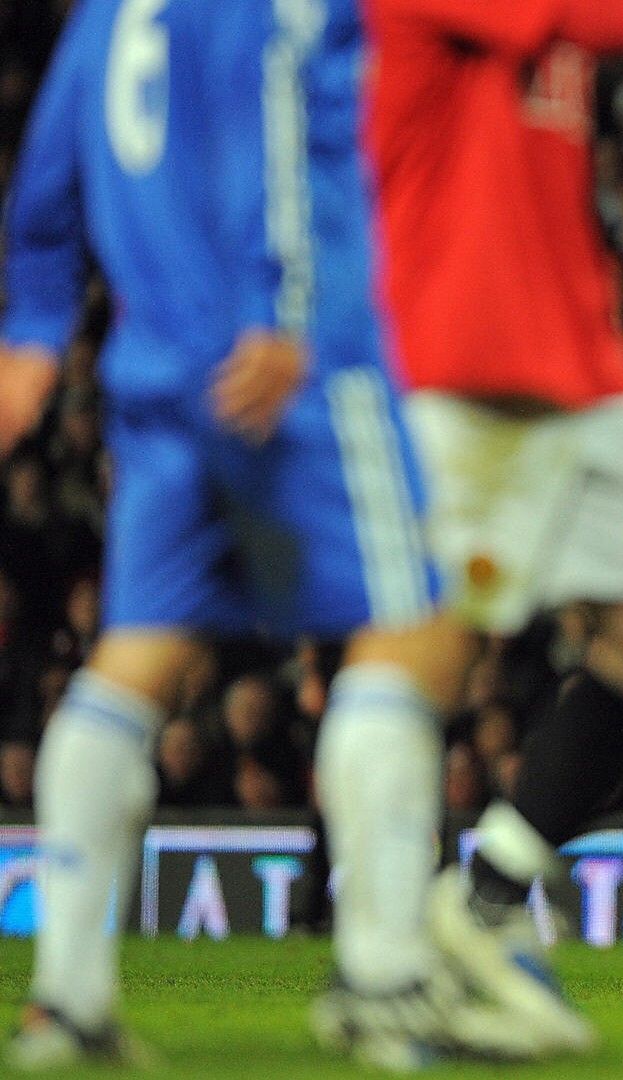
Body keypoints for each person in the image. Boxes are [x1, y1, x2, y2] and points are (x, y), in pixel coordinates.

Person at [0, 0, 522, 1069]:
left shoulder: (108, 13)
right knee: (415, 631)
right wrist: (280, 309)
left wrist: (35, 331)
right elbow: (276, 125)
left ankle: (66, 1001)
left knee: (136, 660)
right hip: (298, 368)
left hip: (156, 375)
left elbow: (44, 173)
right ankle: (383, 983)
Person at [362, 0, 623, 1056]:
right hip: (460, 341)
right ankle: (381, 969)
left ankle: (490, 888)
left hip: (576, 344)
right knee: (432, 652)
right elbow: (622, 21)